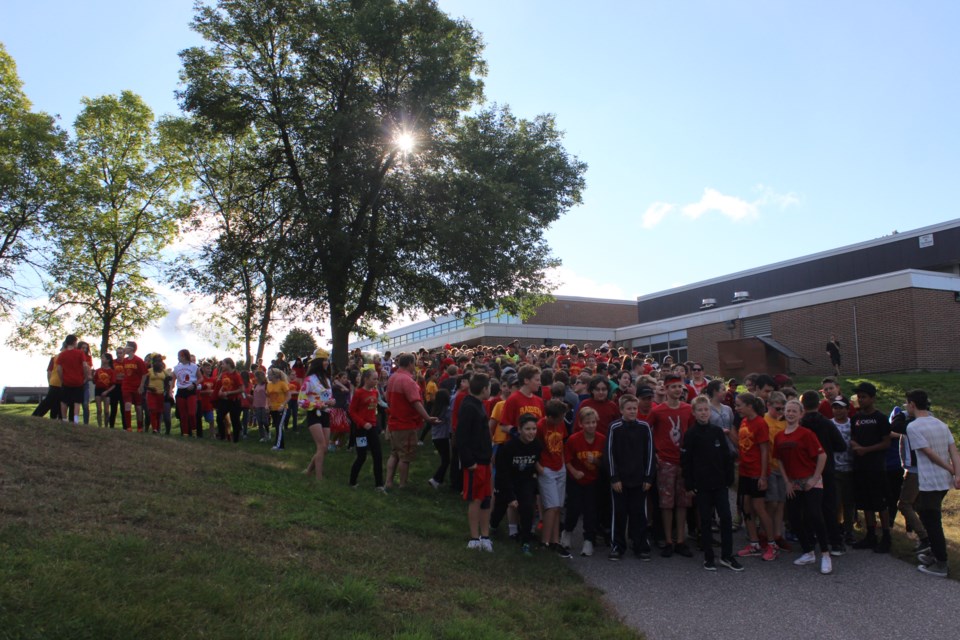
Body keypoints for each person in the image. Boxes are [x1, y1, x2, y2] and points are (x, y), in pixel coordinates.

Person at [682, 396, 741, 571]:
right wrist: (689, 484)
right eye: (699, 410)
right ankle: (709, 556)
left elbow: (726, 457)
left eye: (706, 409)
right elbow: (686, 461)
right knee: (706, 521)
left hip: (720, 483)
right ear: (694, 413)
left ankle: (727, 555)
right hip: (702, 485)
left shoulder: (717, 431)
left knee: (726, 518)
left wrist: (728, 478)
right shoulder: (691, 434)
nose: (703, 413)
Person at [906, 389, 960, 578]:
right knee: (921, 508)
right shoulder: (941, 424)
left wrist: (953, 470)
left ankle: (941, 564)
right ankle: (935, 553)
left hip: (930, 481)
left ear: (912, 404)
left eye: (907, 404)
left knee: (932, 521)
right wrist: (956, 473)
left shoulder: (913, 427)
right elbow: (954, 450)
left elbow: (929, 453)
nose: (906, 407)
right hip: (943, 481)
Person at [776, 399, 833, 574]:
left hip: (810, 480)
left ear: (801, 414)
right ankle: (808, 551)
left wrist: (815, 478)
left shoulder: (806, 434)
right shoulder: (779, 436)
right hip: (793, 483)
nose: (790, 413)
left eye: (794, 411)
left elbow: (822, 456)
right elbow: (779, 460)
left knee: (815, 515)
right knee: (794, 518)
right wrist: (786, 482)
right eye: (788, 410)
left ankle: (825, 554)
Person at [647, 373, 695, 557]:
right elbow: (647, 434)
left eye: (679, 387)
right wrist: (655, 455)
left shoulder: (688, 409)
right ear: (665, 389)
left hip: (683, 462)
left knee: (682, 502)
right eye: (673, 387)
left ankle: (681, 540)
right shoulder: (658, 411)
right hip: (665, 462)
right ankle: (668, 540)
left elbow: (691, 434)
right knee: (666, 503)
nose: (677, 390)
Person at [606, 394, 655, 562]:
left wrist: (648, 477)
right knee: (619, 513)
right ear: (621, 410)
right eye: (629, 408)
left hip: (639, 479)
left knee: (639, 513)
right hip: (620, 480)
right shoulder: (614, 428)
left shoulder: (644, 427)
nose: (632, 411)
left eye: (635, 408)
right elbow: (610, 454)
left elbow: (649, 454)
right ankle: (617, 546)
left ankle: (640, 544)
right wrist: (614, 477)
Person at [490, 413, 542, 556]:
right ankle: (492, 527)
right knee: (500, 509)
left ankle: (525, 541)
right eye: (527, 429)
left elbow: (534, 466)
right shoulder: (508, 447)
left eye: (534, 429)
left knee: (527, 508)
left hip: (525, 481)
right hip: (507, 481)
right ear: (519, 430)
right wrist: (511, 496)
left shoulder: (537, 445)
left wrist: (534, 487)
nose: (531, 432)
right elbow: (502, 474)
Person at [849, 382, 892, 552]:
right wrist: (855, 445)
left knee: (880, 503)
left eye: (864, 397)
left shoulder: (880, 418)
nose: (861, 400)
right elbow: (851, 436)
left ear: (872, 398)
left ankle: (887, 535)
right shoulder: (856, 418)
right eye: (859, 397)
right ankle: (871, 534)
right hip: (860, 467)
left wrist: (866, 450)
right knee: (865, 503)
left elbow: (886, 442)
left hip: (876, 467)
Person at [735, 392, 779, 561]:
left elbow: (764, 450)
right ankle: (754, 543)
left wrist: (763, 476)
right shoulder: (744, 421)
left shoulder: (760, 423)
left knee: (759, 507)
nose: (736, 408)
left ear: (749, 406)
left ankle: (772, 544)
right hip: (745, 471)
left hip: (756, 472)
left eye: (739, 405)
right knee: (746, 507)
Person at [385, 353, 439, 489]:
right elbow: (416, 402)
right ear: (410, 363)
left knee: (394, 454)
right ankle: (402, 485)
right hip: (405, 424)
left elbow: (387, 398)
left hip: (393, 422)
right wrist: (427, 418)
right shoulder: (408, 381)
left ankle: (388, 482)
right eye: (414, 363)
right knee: (405, 457)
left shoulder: (392, 378)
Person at [561, 406, 606, 557]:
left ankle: (588, 540)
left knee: (591, 511)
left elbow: (605, 462)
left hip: (593, 481)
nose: (591, 425)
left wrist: (596, 461)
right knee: (574, 508)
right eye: (587, 423)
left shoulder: (602, 439)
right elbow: (566, 460)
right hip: (576, 481)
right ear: (581, 424)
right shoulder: (574, 440)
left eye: (593, 422)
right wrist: (574, 472)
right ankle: (567, 532)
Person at [457, 373, 494, 552]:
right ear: (484, 389)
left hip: (485, 461)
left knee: (486, 498)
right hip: (475, 462)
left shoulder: (479, 405)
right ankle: (474, 537)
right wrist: (468, 461)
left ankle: (485, 535)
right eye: (489, 387)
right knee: (475, 498)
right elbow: (461, 436)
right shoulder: (469, 406)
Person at [537, 399, 571, 558]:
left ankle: (555, 541)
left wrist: (563, 463)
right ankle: (545, 541)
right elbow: (534, 448)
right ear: (550, 417)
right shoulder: (540, 426)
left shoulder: (561, 424)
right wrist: (539, 468)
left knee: (558, 506)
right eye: (559, 417)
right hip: (546, 468)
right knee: (552, 505)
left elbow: (562, 444)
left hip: (559, 466)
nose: (561, 420)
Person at [299, 352, 336, 478]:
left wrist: (332, 401)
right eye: (324, 360)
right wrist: (317, 405)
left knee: (325, 448)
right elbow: (301, 401)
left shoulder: (327, 379)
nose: (327, 363)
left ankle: (309, 470)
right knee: (321, 446)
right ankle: (319, 478)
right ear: (317, 363)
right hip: (314, 414)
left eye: (327, 360)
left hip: (326, 413)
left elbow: (328, 397)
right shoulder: (309, 380)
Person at [348, 368, 385, 491]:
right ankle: (352, 482)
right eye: (374, 379)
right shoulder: (359, 393)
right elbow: (352, 412)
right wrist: (363, 423)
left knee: (378, 455)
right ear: (366, 379)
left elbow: (376, 408)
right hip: (361, 429)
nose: (376, 381)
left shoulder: (375, 392)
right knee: (362, 456)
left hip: (372, 428)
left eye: (377, 378)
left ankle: (379, 485)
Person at [56, 335, 90, 423]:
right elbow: (85, 366)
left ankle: (64, 418)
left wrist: (62, 378)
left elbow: (59, 368)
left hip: (66, 381)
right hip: (78, 381)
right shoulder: (80, 353)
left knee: (64, 401)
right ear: (75, 342)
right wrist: (86, 377)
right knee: (77, 402)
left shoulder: (62, 354)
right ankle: (76, 420)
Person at [116, 341, 148, 432]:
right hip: (126, 386)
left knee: (138, 407)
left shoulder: (138, 360)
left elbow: (144, 374)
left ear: (132, 349)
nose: (124, 348)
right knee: (127, 405)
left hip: (136, 387)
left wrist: (141, 386)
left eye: (126, 347)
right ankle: (128, 427)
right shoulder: (125, 360)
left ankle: (139, 427)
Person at [140, 354, 172, 435]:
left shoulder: (164, 371)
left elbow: (169, 381)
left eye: (160, 361)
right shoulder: (149, 371)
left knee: (159, 411)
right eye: (157, 361)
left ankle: (157, 428)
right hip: (151, 393)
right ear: (153, 362)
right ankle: (154, 429)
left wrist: (168, 391)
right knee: (152, 410)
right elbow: (144, 381)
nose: (159, 363)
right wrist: (148, 388)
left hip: (161, 394)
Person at [427, 388, 452, 489]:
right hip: (443, 437)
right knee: (446, 460)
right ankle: (435, 479)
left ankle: (439, 480)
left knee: (444, 459)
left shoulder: (436, 408)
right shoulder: (447, 410)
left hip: (436, 437)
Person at [173, 349, 199, 437]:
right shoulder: (176, 368)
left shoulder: (194, 366)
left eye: (179, 356)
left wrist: (194, 384)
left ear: (183, 356)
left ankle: (194, 431)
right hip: (181, 391)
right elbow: (173, 380)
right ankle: (185, 433)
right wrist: (170, 390)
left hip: (191, 391)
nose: (178, 358)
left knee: (191, 413)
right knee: (183, 414)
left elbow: (201, 378)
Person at [266, 368, 290, 449]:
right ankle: (279, 443)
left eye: (269, 375)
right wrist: (267, 405)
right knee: (276, 426)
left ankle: (279, 445)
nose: (268, 376)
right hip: (273, 408)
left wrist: (283, 405)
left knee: (279, 426)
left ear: (275, 375)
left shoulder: (282, 384)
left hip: (282, 408)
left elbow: (288, 396)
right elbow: (268, 396)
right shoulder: (269, 385)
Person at [93, 354, 117, 428]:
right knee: (99, 409)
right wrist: (93, 375)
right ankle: (99, 426)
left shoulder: (111, 371)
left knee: (106, 411)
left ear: (108, 360)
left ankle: (106, 426)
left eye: (103, 358)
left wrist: (107, 391)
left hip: (107, 390)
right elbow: (94, 381)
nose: (102, 359)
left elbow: (114, 384)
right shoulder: (98, 370)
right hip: (98, 390)